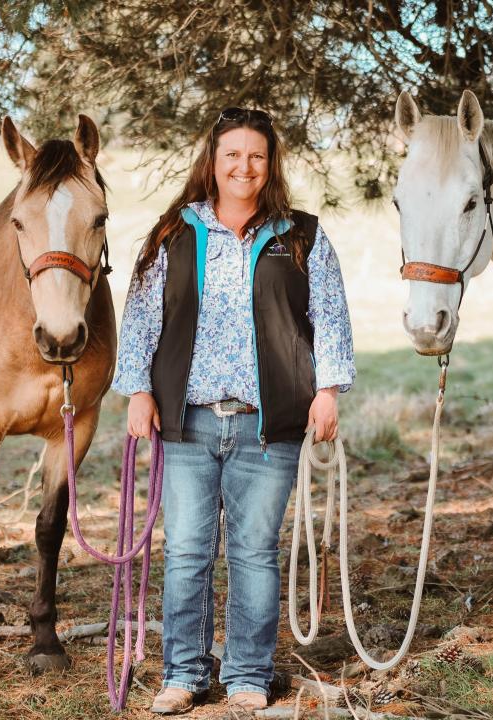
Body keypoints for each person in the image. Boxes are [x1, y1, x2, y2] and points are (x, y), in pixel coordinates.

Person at [113, 107, 356, 714]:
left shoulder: (301, 235)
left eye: (255, 156)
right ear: (212, 163)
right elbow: (142, 317)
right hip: (188, 421)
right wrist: (137, 390)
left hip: (266, 426)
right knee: (189, 550)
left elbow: (329, 316)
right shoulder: (175, 231)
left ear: (269, 165)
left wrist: (328, 390)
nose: (243, 167)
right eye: (232, 155)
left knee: (253, 551)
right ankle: (185, 674)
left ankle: (248, 674)